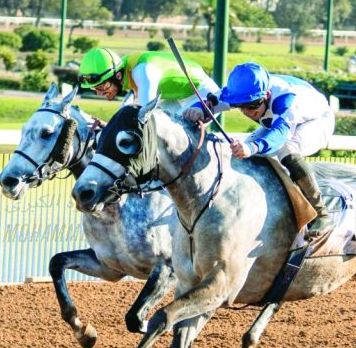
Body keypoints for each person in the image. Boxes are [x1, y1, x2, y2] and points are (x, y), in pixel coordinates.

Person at [183, 62, 333, 237]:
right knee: (243, 158)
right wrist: (197, 109)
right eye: (240, 106)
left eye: (252, 105)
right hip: (276, 122)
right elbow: (210, 102)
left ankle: (321, 214)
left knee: (286, 149)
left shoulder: (285, 100)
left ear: (266, 95)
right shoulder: (242, 92)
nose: (247, 111)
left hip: (316, 121)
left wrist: (252, 147)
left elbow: (280, 134)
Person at [77, 48, 219, 112]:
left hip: (202, 93)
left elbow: (145, 114)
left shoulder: (142, 71)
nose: (100, 93)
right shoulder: (126, 69)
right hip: (175, 97)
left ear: (118, 76)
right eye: (95, 88)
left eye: (103, 86)